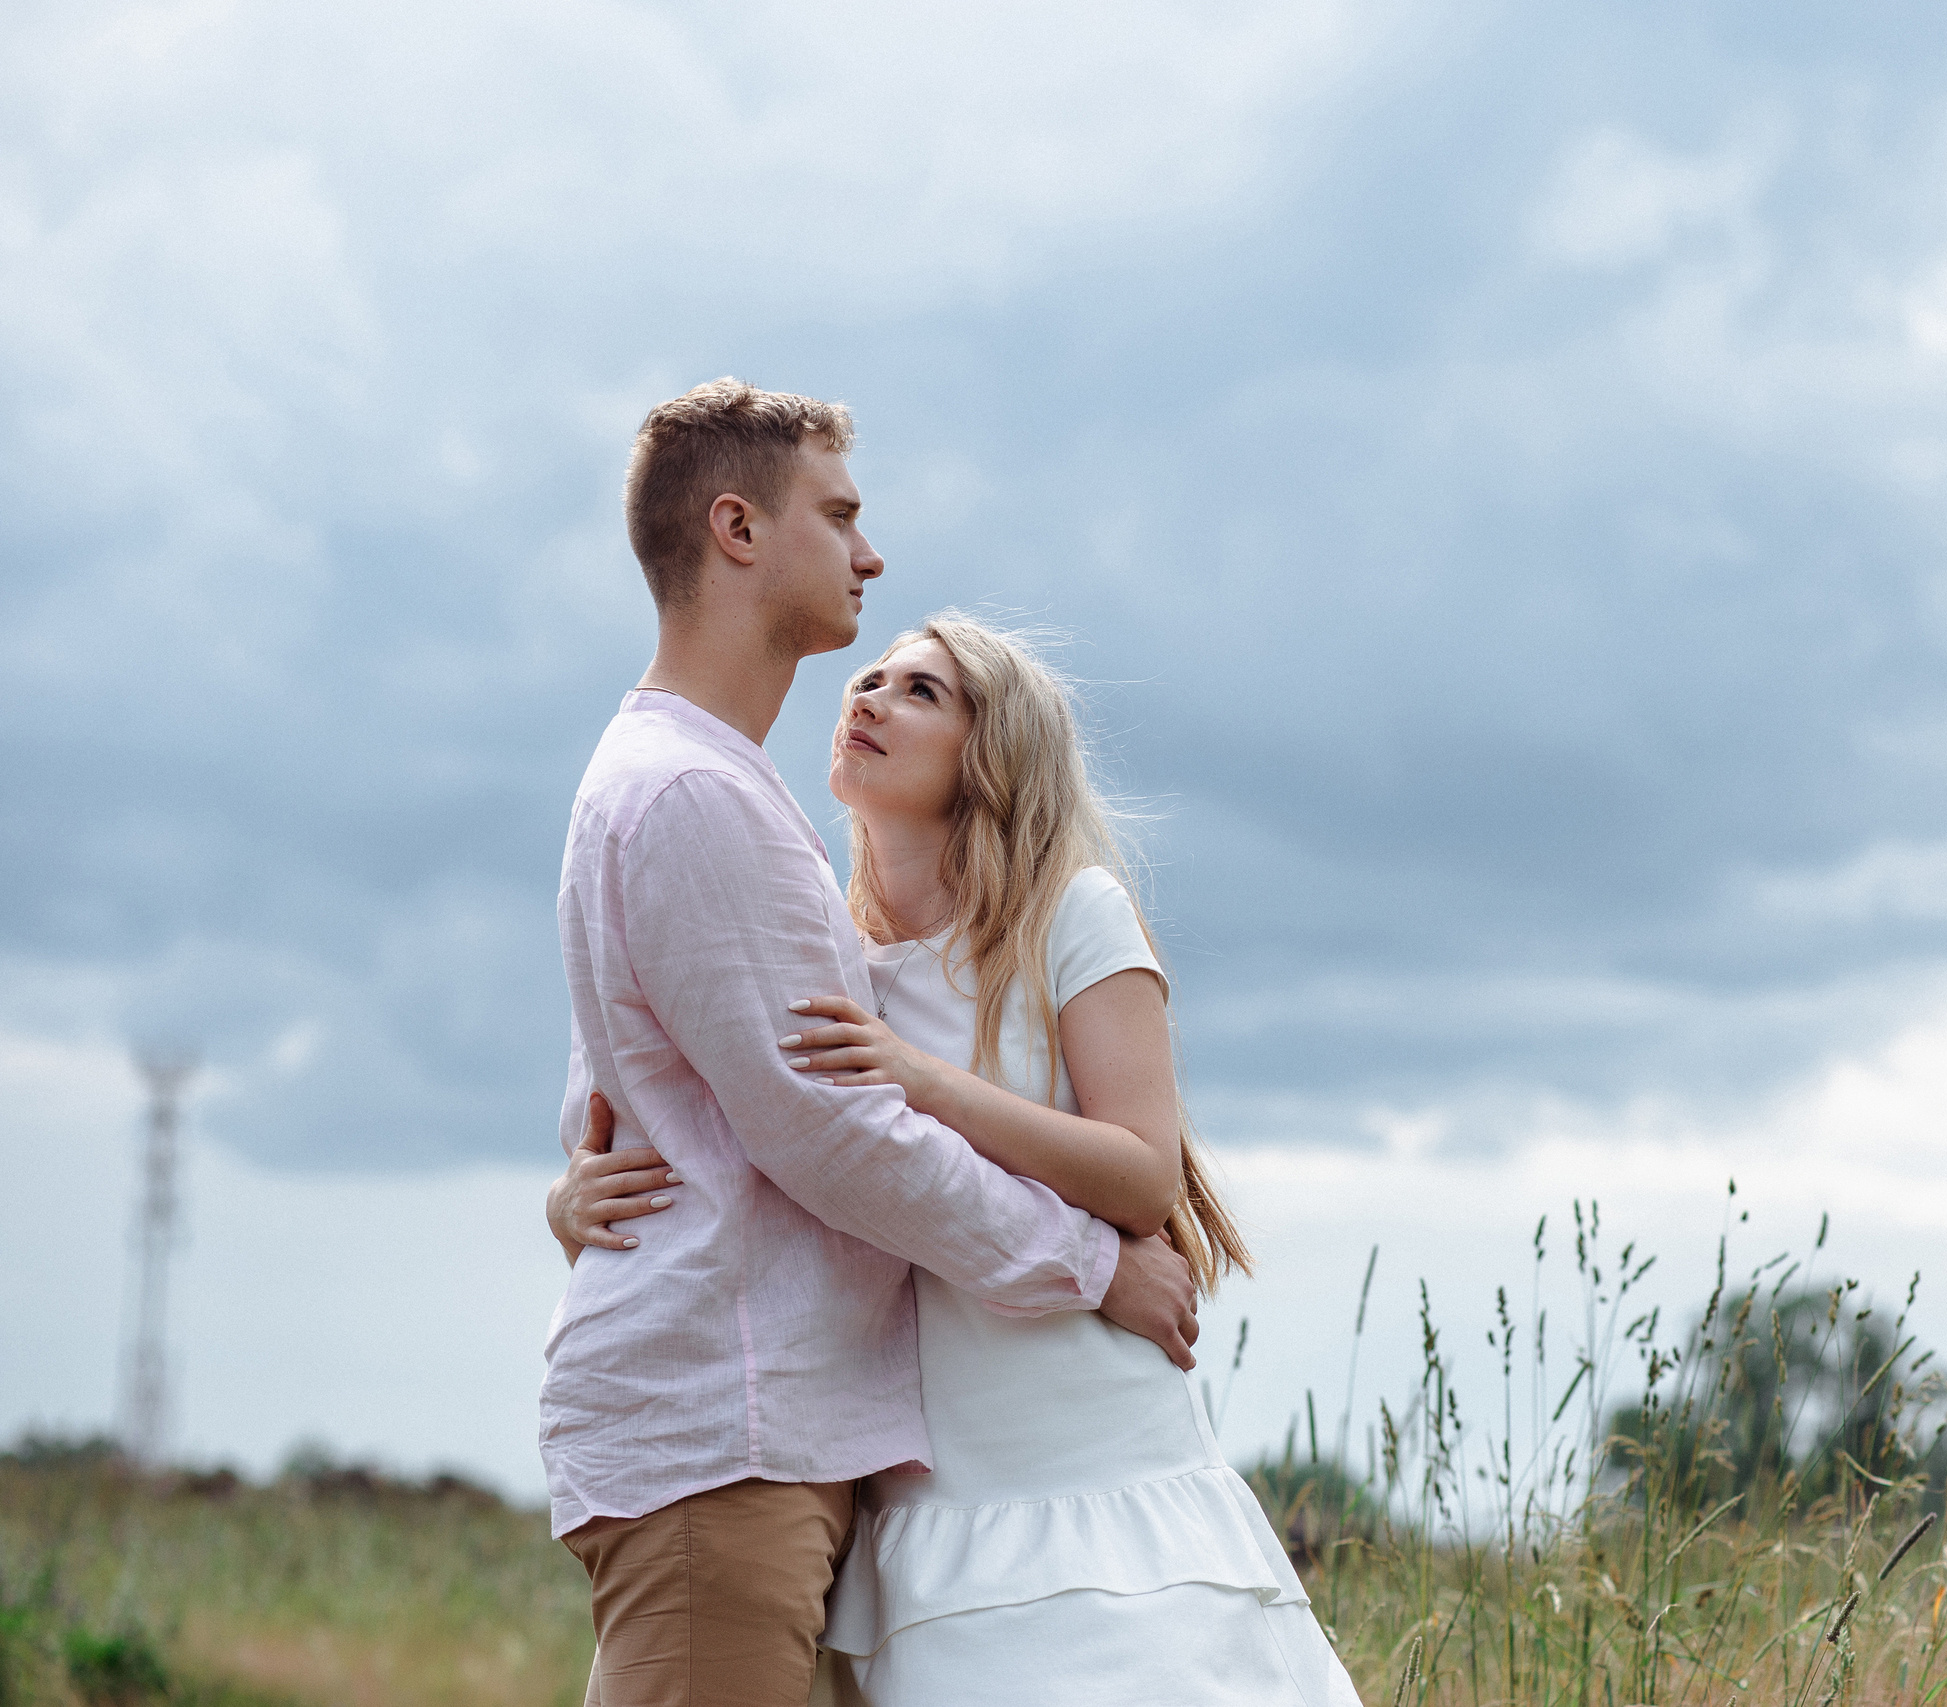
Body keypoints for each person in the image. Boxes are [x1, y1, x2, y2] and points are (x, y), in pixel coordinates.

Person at [553, 615, 1362, 1705]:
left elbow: (1142, 1175)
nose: (869, 697)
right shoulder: (830, 951)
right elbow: (710, 1112)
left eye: (921, 691)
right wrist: (573, 1199)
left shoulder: (1071, 914)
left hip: (1089, 1453)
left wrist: (923, 1081)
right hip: (922, 1496)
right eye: (871, 679)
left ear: (994, 753)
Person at [543, 380, 1201, 1707]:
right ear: (738, 528)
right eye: (839, 514)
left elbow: (626, 1088)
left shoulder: (704, 786)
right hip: (726, 1437)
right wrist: (1094, 1264)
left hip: (802, 1447)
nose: (870, 550)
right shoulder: (694, 793)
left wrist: (578, 1177)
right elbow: (831, 1129)